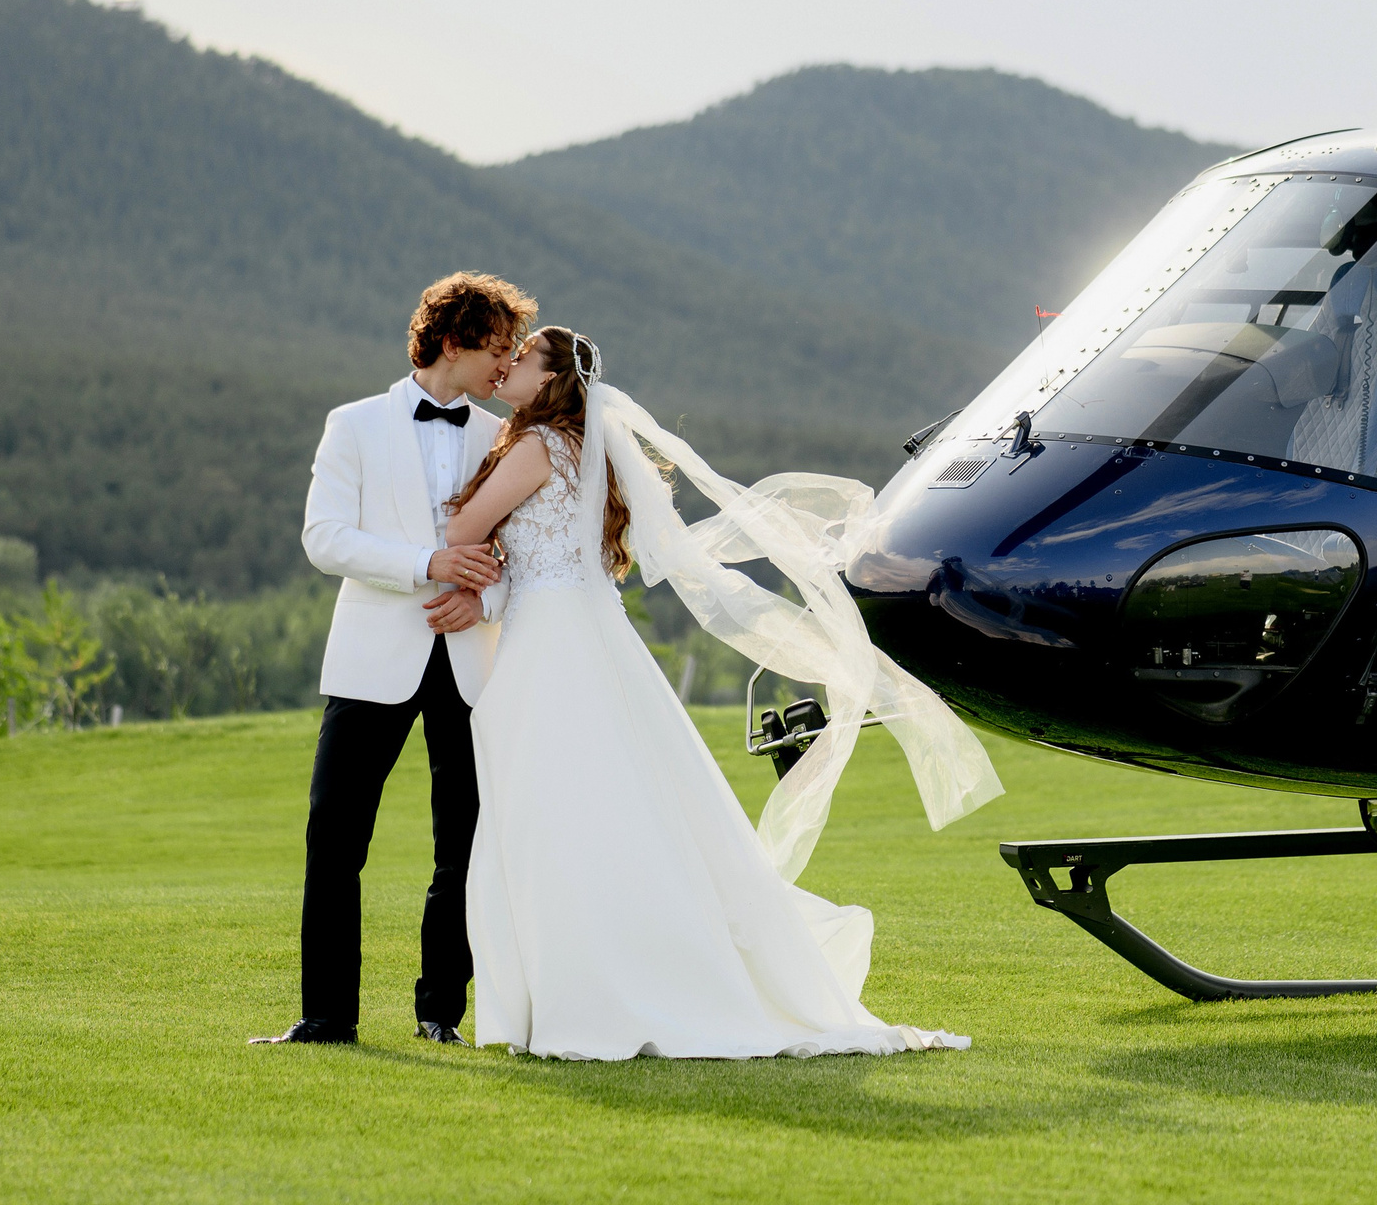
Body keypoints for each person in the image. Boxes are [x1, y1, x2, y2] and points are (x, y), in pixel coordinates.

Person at [445, 326, 1003, 1059]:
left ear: (551, 382)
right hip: (586, 631)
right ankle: (616, 970)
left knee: (549, 807)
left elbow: (463, 525)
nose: (510, 365)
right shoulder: (589, 451)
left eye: (524, 359)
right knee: (610, 800)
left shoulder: (535, 448)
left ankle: (577, 991)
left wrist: (474, 564)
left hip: (549, 638)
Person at [253, 272, 536, 1047]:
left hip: (474, 662)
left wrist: (484, 599)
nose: (505, 369)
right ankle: (326, 1017)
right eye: (496, 350)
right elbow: (325, 538)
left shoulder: (502, 436)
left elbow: (530, 559)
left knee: (466, 843)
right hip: (373, 659)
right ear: (452, 342)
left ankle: (439, 1012)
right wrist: (427, 564)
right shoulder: (351, 425)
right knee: (334, 836)